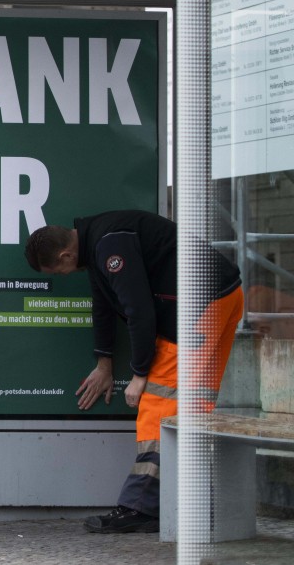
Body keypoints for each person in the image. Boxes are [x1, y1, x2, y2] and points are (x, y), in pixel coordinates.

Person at [25, 209, 243, 534]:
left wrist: (140, 373)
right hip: (222, 295)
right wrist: (104, 362)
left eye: (58, 270)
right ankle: (197, 503)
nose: (62, 275)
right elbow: (103, 305)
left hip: (199, 306)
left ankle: (139, 507)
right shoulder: (99, 238)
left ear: (66, 254)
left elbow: (139, 310)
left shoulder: (109, 246)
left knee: (157, 405)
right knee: (193, 407)